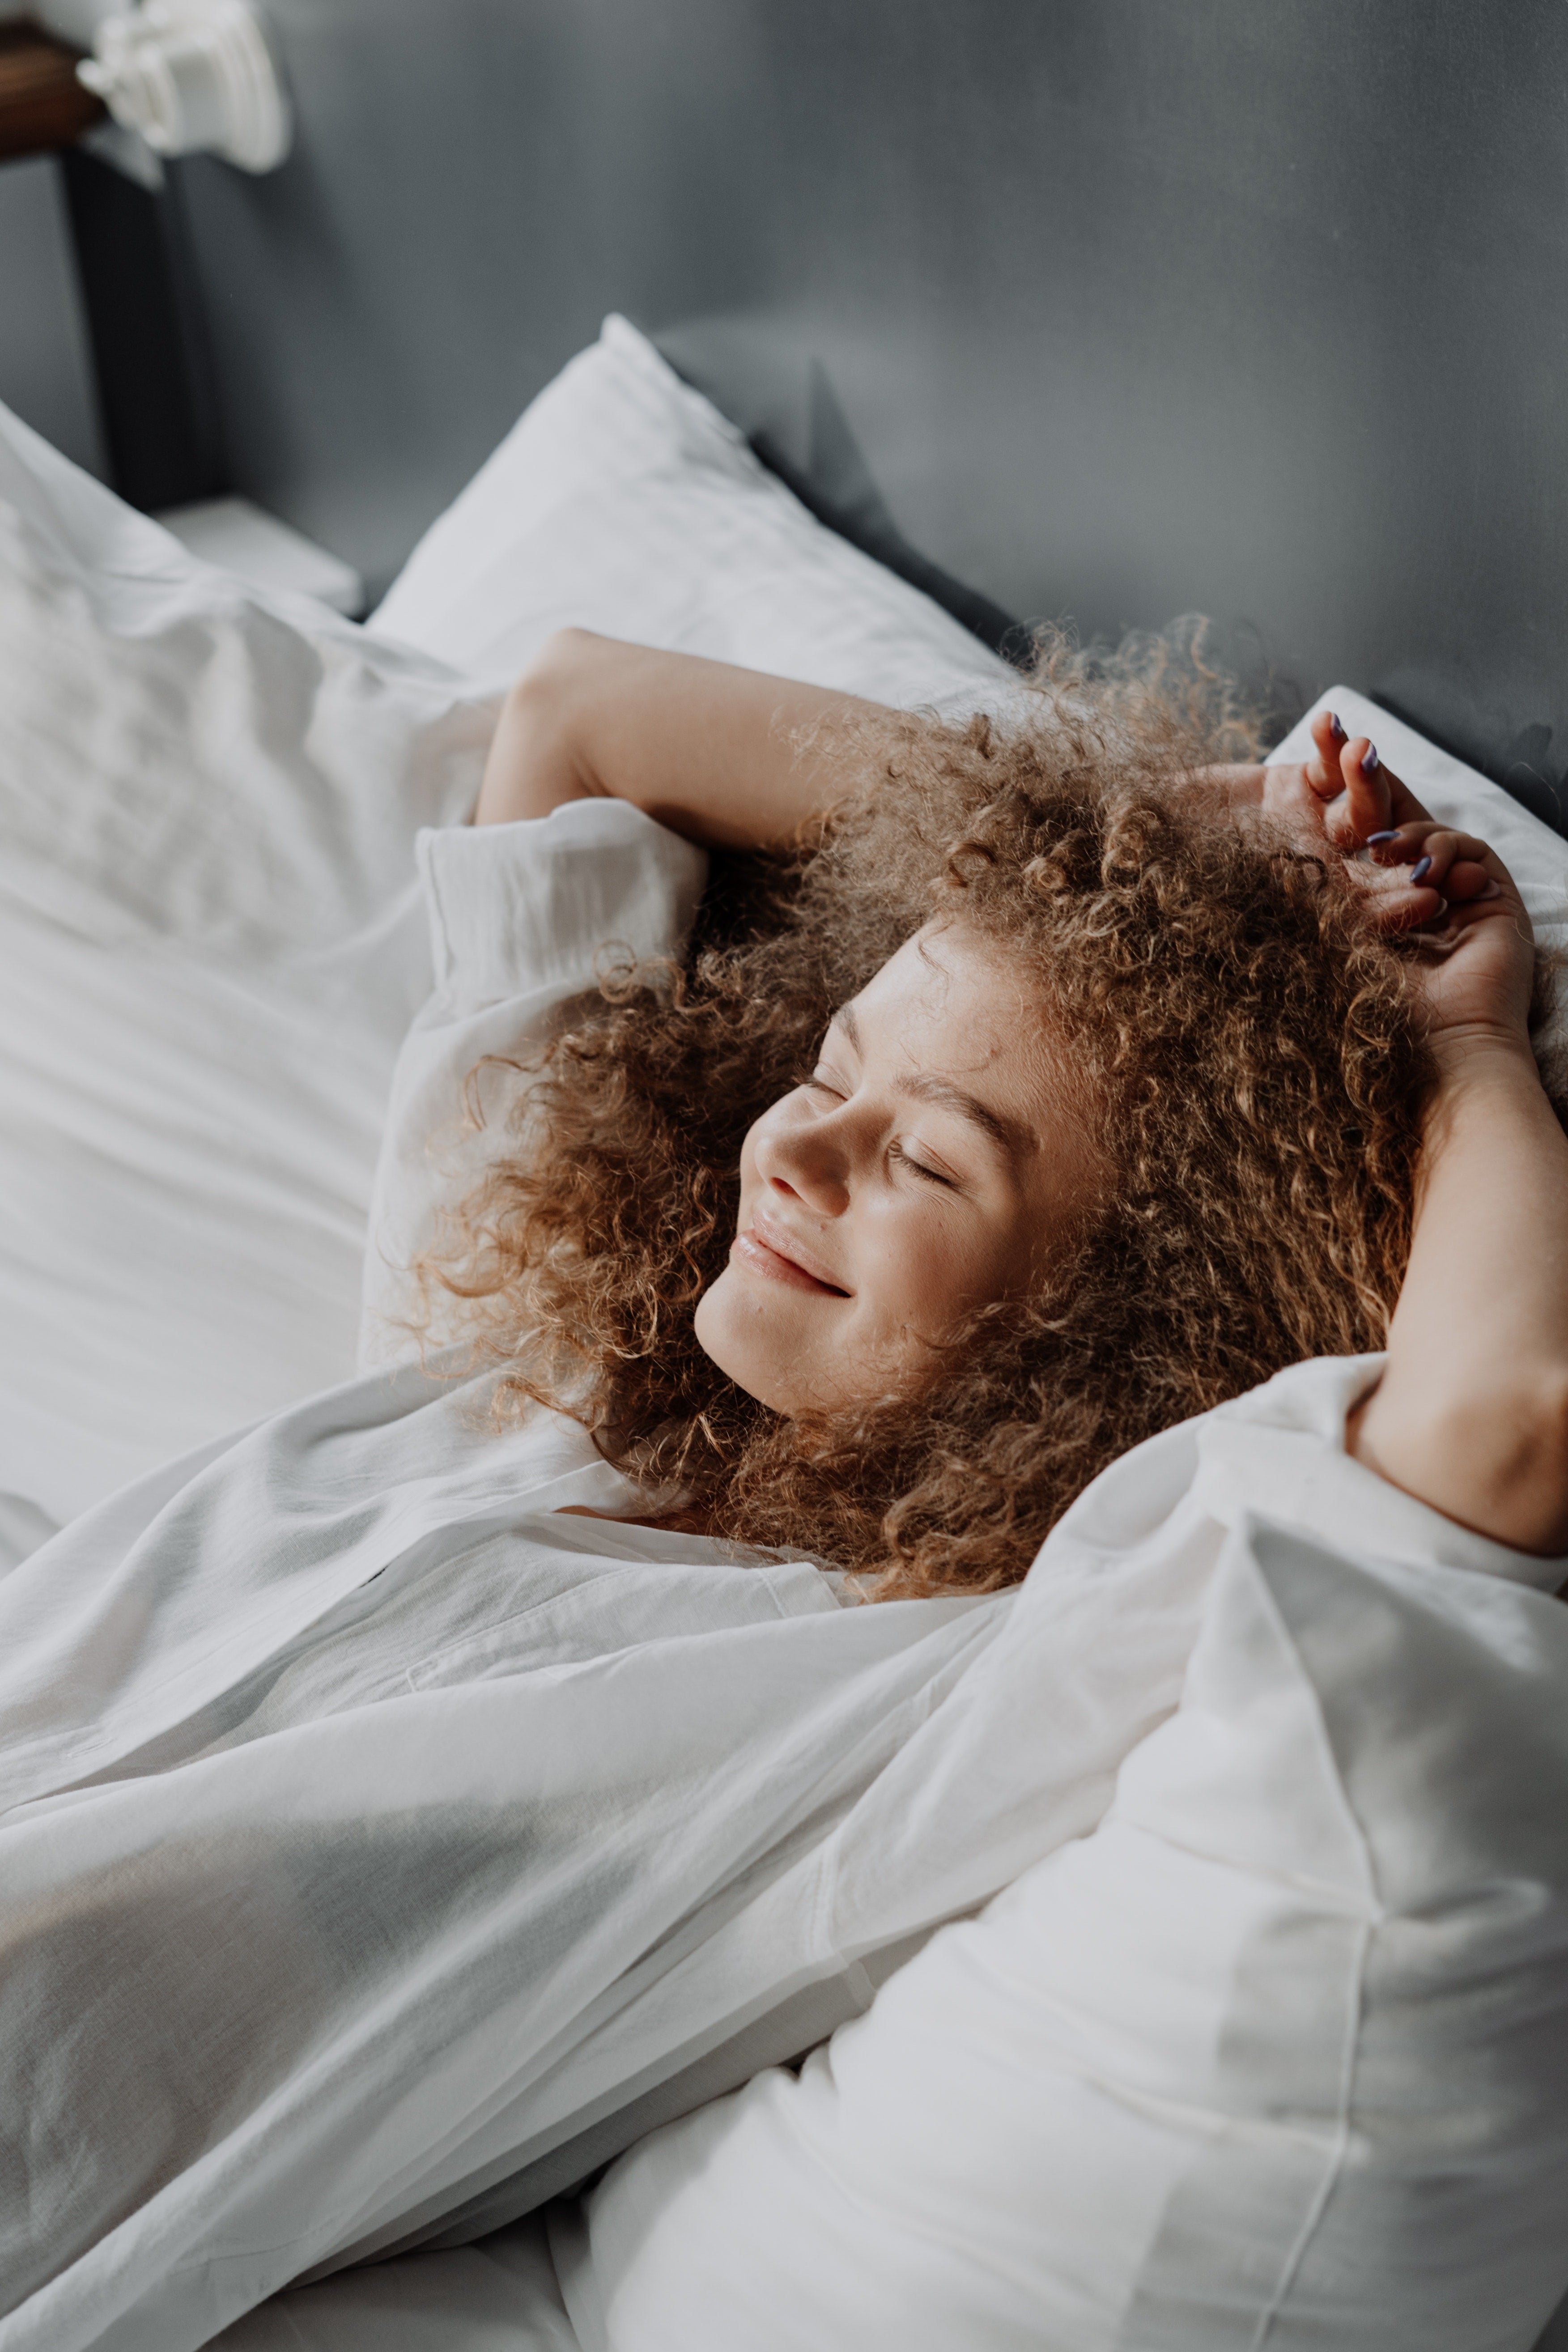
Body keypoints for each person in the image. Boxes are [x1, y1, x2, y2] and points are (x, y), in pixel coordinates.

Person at [5, 630, 1566, 2344]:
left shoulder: (954, 1686)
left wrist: (1456, 1040)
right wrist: (1147, 837)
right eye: (831, 1070)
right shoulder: (534, 1334)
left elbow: (1506, 1419)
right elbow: (579, 719)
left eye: (924, 1158)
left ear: (1113, 1323)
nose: (797, 1149)